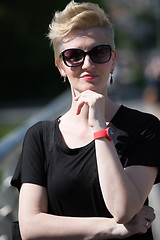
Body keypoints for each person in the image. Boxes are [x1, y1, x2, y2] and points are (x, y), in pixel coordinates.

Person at [11, 1, 160, 239]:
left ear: (113, 60)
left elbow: (123, 209)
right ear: (61, 66)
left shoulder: (144, 128)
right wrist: (114, 229)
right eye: (74, 56)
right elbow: (30, 226)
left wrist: (99, 126)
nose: (88, 64)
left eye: (99, 52)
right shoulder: (40, 136)